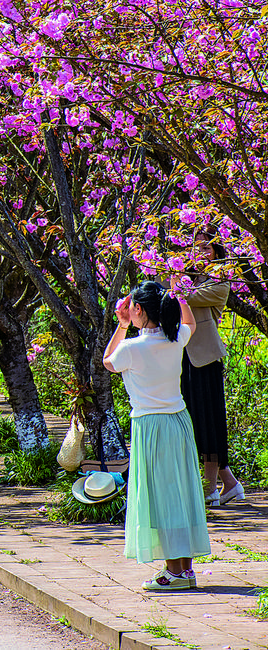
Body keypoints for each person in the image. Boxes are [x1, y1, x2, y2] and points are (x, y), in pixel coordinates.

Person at [103, 281, 210, 591]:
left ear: (138, 309)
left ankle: (173, 573)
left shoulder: (131, 348)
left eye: (131, 307)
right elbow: (188, 322)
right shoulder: (174, 337)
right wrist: (179, 293)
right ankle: (185, 570)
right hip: (179, 422)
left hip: (150, 426)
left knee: (161, 496)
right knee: (181, 492)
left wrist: (121, 327)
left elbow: (107, 362)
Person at [181, 230, 244, 506]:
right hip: (181, 357)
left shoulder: (219, 279)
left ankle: (209, 489)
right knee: (194, 422)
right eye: (194, 248)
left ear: (217, 252)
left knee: (209, 423)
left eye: (206, 248)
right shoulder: (186, 276)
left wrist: (174, 281)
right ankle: (229, 484)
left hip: (204, 357)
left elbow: (187, 298)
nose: (200, 253)